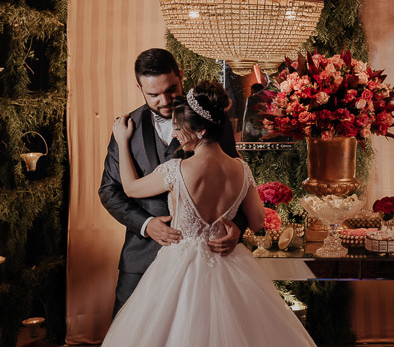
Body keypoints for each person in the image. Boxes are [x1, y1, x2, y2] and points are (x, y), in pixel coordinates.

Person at [101, 80, 315, 347]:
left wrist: (122, 142)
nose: (176, 133)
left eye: (180, 127)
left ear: (201, 129)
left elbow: (131, 189)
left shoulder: (177, 170)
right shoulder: (240, 168)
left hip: (179, 267)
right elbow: (259, 221)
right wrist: (235, 228)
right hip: (232, 265)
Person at [98, 48, 243, 315]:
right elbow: (109, 191)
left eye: (171, 89)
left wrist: (237, 230)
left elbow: (236, 182)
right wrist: (145, 224)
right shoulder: (125, 128)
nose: (164, 100)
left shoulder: (211, 122)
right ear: (139, 87)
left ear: (181, 76)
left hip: (203, 265)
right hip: (140, 258)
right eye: (153, 94)